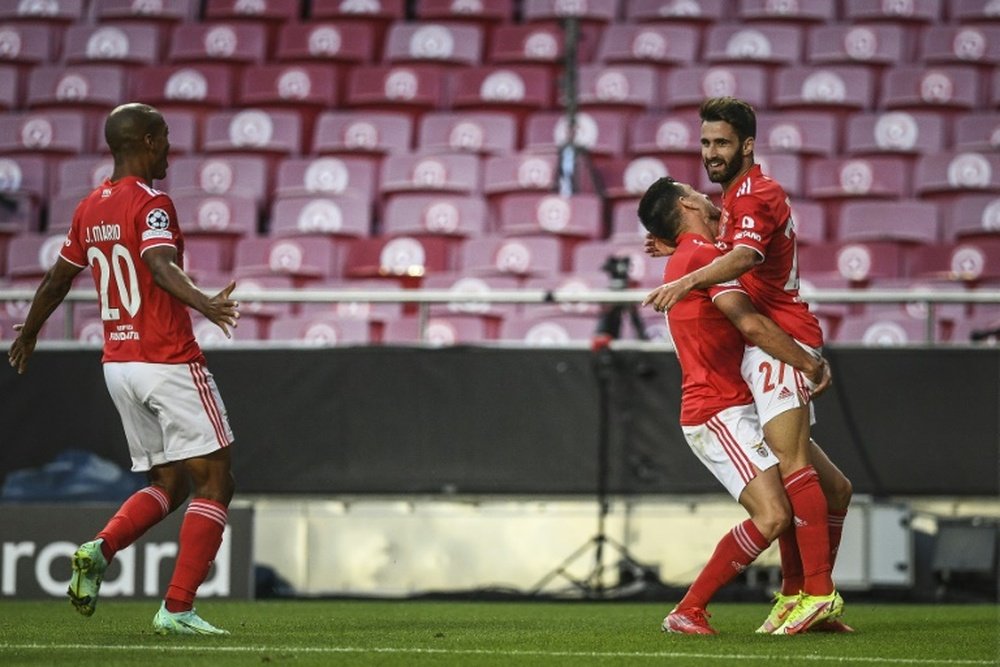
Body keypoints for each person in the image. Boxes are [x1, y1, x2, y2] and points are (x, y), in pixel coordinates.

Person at [8, 103, 240, 636]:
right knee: (217, 482)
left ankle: (101, 546)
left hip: (119, 364)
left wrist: (28, 332)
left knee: (170, 479)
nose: (169, 149)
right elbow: (160, 267)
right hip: (167, 359)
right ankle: (177, 609)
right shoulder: (152, 203)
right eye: (164, 138)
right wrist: (205, 303)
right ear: (146, 141)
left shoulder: (90, 207)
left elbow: (56, 280)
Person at [644, 97, 853, 634]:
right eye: (705, 144)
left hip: (774, 346)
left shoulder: (749, 201)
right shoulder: (725, 213)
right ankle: (795, 595)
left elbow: (744, 266)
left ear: (747, 145)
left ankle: (812, 593)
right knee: (796, 496)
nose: (709, 156)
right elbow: (726, 264)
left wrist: (684, 272)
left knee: (805, 483)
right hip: (732, 390)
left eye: (720, 143)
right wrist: (677, 248)